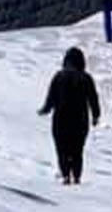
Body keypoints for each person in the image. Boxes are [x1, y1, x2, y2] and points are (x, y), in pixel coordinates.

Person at [38, 46, 101, 185]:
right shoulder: (86, 78)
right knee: (77, 150)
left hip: (61, 119)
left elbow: (51, 98)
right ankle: (77, 177)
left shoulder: (59, 76)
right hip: (80, 120)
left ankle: (66, 175)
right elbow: (93, 99)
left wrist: (45, 110)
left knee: (62, 148)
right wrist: (96, 115)